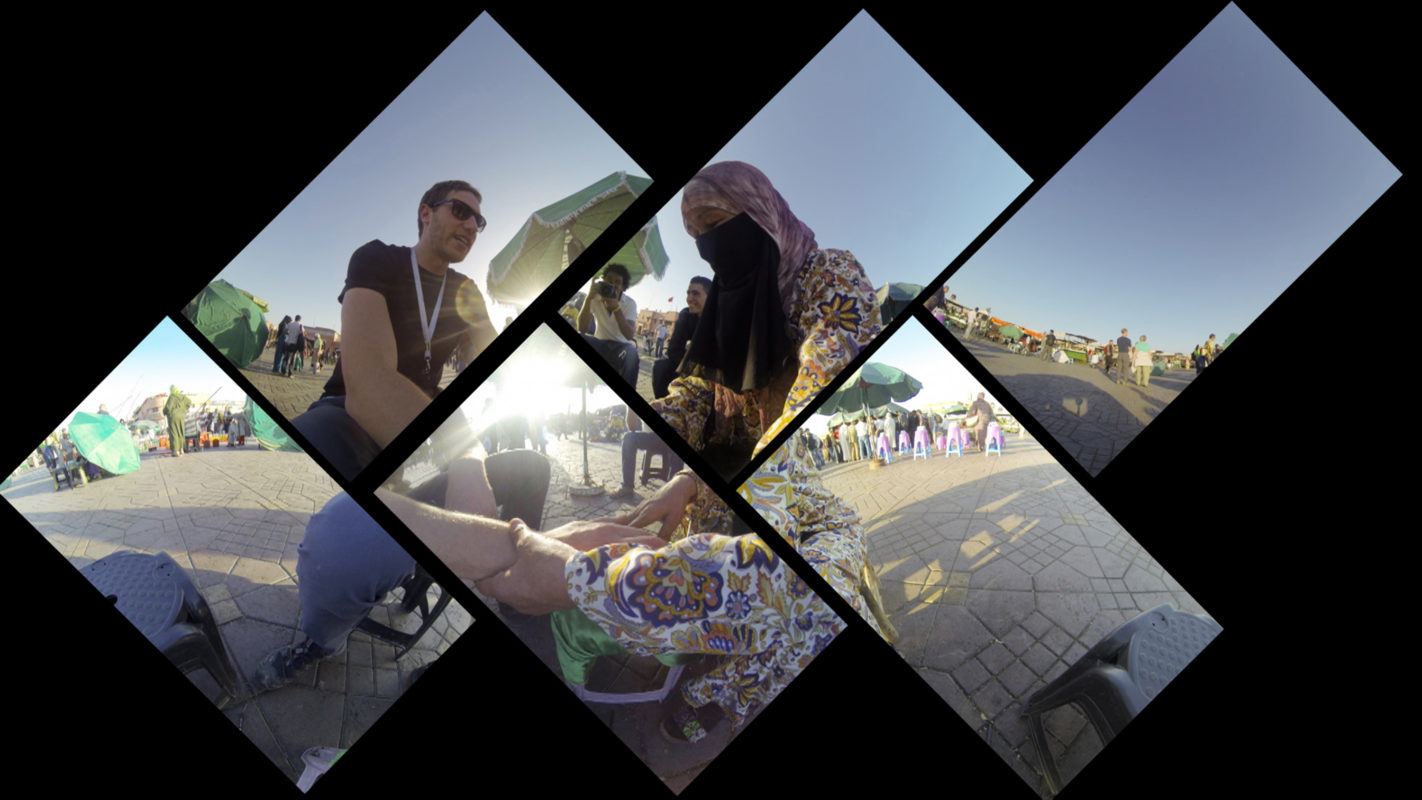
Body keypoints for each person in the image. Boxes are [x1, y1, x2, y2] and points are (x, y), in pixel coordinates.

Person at [252, 450, 554, 690]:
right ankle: (321, 643)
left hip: (423, 485)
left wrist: (469, 466)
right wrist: (468, 459)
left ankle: (520, 598)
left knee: (533, 466)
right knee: (336, 550)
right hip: (405, 482)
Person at [290, 180, 498, 480]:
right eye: (461, 211)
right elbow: (369, 382)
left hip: (426, 411)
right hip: (346, 409)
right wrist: (450, 449)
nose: (472, 226)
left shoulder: (466, 290)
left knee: (529, 470)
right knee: (305, 444)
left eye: (479, 221)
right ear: (426, 214)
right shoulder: (377, 259)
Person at [577, 263, 640, 387]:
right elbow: (582, 329)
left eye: (617, 282)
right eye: (609, 280)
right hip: (599, 343)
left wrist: (616, 309)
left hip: (620, 347)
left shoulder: (629, 303)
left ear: (623, 287)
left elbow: (629, 335)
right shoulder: (595, 298)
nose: (612, 284)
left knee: (632, 353)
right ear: (603, 281)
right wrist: (588, 298)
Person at [652, 276, 711, 399]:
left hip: (713, 370)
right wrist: (690, 372)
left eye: (695, 294)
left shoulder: (720, 319)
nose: (689, 299)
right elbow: (674, 350)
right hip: (689, 367)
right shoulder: (686, 315)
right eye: (688, 293)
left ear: (710, 297)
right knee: (661, 367)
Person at [611, 408, 682, 500]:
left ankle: (672, 492)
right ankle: (627, 485)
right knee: (628, 438)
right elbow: (632, 428)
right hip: (652, 437)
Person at [163, 385, 191, 458]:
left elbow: (168, 408)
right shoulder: (183, 397)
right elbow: (189, 402)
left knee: (174, 433)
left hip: (173, 417)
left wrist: (164, 411)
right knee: (181, 432)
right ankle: (181, 449)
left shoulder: (172, 397)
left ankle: (176, 451)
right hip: (181, 416)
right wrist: (184, 410)